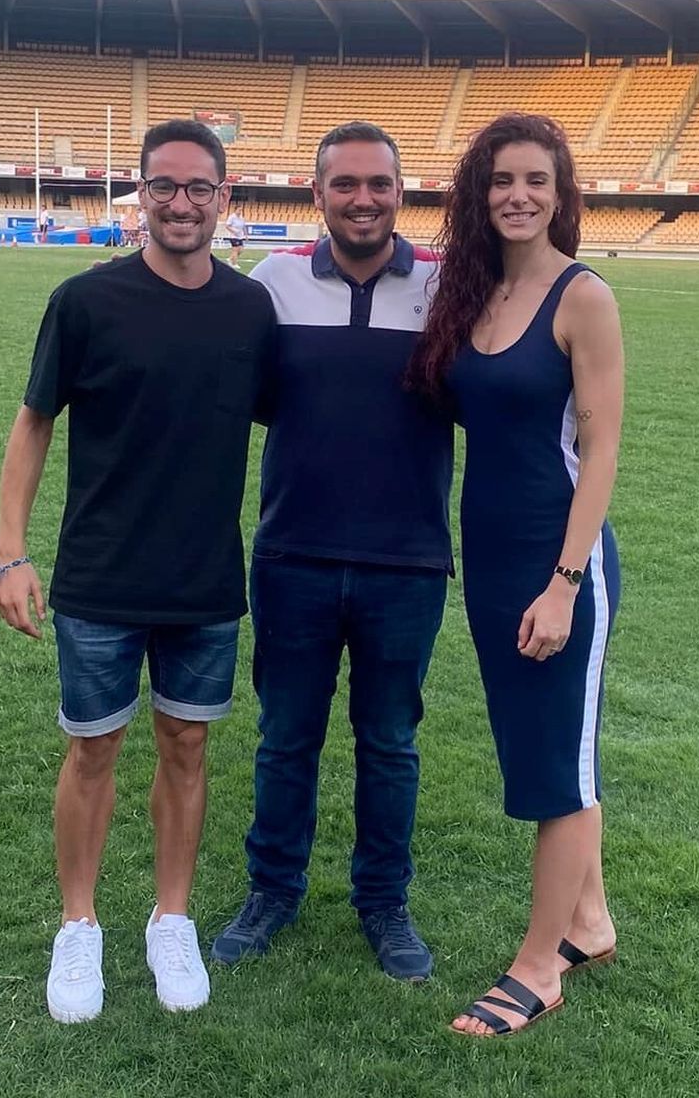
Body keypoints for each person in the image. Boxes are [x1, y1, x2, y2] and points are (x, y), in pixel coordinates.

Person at [0, 118, 276, 1023]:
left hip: (203, 580)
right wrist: (10, 551)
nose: (181, 203)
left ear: (224, 199)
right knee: (92, 750)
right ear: (140, 195)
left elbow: (295, 421)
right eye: (165, 186)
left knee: (187, 747)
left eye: (199, 188)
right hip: (100, 576)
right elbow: (35, 421)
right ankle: (79, 927)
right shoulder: (85, 301)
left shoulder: (248, 309)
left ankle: (171, 917)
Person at [210, 123, 453, 983]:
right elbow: (241, 396)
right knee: (286, 738)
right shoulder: (270, 283)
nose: (362, 198)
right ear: (318, 195)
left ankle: (383, 901)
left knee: (390, 742)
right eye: (344, 183)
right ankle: (272, 889)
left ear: (400, 192)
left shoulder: (443, 289)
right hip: (294, 555)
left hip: (409, 561)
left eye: (378, 184)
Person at [408, 113, 624, 1037]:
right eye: (501, 180)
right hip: (490, 560)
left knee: (555, 769)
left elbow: (604, 447)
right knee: (544, 747)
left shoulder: (584, 298)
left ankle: (539, 969)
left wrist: (565, 582)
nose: (518, 195)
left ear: (561, 191)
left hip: (556, 562)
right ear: (478, 192)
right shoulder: (473, 296)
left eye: (536, 179)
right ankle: (590, 919)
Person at [225, 202, 248, 268]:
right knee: (235, 250)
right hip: (233, 236)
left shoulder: (241, 218)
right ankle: (234, 264)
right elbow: (227, 226)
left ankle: (230, 259)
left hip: (240, 236)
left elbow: (244, 226)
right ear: (235, 210)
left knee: (241, 250)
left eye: (241, 210)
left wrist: (246, 235)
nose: (240, 211)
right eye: (239, 210)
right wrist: (233, 231)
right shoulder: (232, 217)